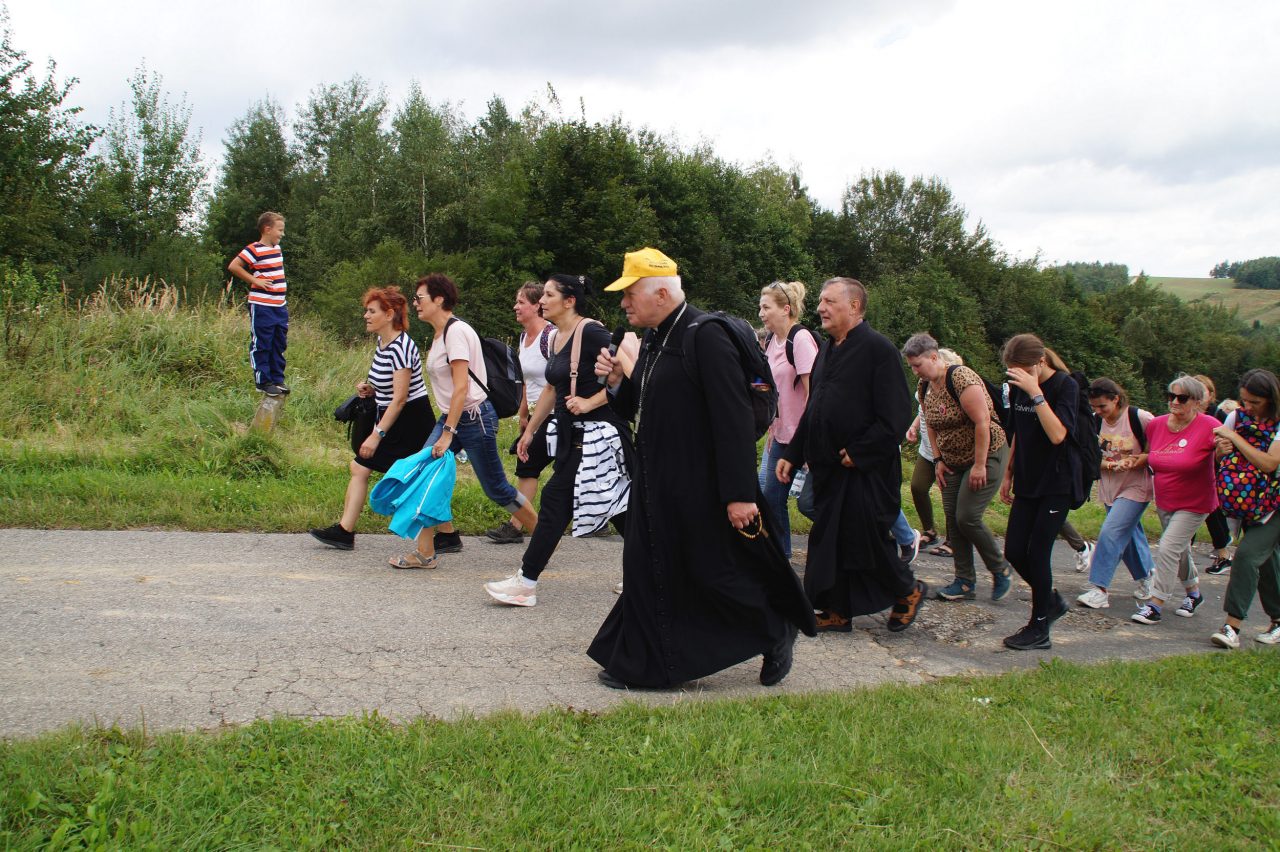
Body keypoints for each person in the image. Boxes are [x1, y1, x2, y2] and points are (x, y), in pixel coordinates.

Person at [588, 247, 813, 689]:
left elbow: (732, 419)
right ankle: (646, 660)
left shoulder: (705, 336)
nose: (623, 303)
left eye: (630, 293)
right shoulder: (656, 337)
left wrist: (739, 495)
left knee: (713, 573)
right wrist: (615, 382)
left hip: (702, 483)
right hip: (657, 480)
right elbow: (639, 405)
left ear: (660, 293)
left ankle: (775, 628)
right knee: (649, 567)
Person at [777, 278, 926, 634]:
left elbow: (895, 415)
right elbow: (815, 408)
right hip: (829, 468)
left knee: (864, 541)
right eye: (821, 301)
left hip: (864, 470)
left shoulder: (878, 350)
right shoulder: (828, 349)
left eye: (829, 301)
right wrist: (794, 453)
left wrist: (859, 452)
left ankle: (908, 589)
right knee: (832, 541)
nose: (820, 308)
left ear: (855, 306)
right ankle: (837, 611)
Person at [484, 275, 630, 606]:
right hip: (570, 433)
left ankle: (525, 583)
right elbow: (552, 388)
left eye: (549, 295)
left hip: (598, 437)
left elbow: (626, 372)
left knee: (554, 501)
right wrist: (530, 431)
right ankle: (654, 571)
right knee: (620, 509)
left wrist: (590, 402)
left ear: (569, 301)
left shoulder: (590, 332)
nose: (542, 301)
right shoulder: (556, 337)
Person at [387, 274, 539, 568]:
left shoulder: (456, 332)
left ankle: (544, 537)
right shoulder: (440, 334)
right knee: (424, 474)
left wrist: (448, 432)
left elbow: (461, 387)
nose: (415, 303)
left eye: (419, 298)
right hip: (453, 417)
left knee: (497, 489)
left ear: (439, 299)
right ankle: (425, 553)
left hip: (473, 418)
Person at [310, 287, 437, 550]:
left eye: (371, 311)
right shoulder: (383, 343)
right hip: (397, 417)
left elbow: (400, 399)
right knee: (415, 477)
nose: (366, 316)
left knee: (397, 473)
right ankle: (448, 534)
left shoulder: (401, 346)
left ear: (389, 315)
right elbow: (391, 388)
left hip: (410, 421)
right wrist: (371, 389)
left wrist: (376, 435)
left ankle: (345, 532)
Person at [902, 333, 1013, 602]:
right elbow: (930, 424)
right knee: (952, 518)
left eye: (918, 365)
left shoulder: (962, 379)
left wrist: (979, 465)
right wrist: (938, 460)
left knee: (967, 517)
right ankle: (964, 581)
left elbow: (982, 422)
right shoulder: (925, 386)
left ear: (933, 357)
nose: (915, 371)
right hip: (952, 460)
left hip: (987, 454)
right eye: (912, 366)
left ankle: (1000, 569)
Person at [997, 334, 1078, 650]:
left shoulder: (1065, 386)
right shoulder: (1019, 385)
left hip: (1057, 482)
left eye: (1024, 370)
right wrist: (1008, 472)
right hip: (1028, 479)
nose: (1019, 376)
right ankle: (1051, 601)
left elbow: (1058, 434)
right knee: (1014, 550)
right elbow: (1019, 431)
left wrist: (1036, 393)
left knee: (1038, 553)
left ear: (1041, 362)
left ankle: (1039, 626)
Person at [1130, 374, 1216, 625]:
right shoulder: (1156, 425)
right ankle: (1194, 593)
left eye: (1182, 398)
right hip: (1166, 498)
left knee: (1168, 547)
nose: (1175, 402)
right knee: (1179, 549)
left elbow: (1224, 454)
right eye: (1171, 396)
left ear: (1197, 401)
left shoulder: (1209, 425)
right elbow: (1150, 454)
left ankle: (1155, 604)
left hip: (1196, 501)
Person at [1209, 369, 1280, 648]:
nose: (1248, 407)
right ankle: (1278, 620)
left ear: (1271, 399)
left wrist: (1235, 439)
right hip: (1249, 501)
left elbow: (1269, 463)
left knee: (1247, 556)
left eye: (1255, 402)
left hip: (1275, 503)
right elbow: (1221, 458)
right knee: (1266, 560)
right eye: (1244, 401)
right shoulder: (1235, 418)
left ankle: (1232, 625)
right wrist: (1221, 450)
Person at [1073, 378, 1155, 608]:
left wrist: (1137, 460)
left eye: (1103, 406)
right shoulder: (1095, 422)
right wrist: (1110, 465)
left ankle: (1099, 588)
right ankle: (1147, 576)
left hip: (1136, 487)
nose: (1099, 411)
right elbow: (1090, 458)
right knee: (1128, 536)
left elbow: (1156, 450)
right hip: (1110, 488)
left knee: (1110, 532)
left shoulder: (1140, 418)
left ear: (1116, 399)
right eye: (1094, 407)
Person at [484, 281, 555, 546]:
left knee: (529, 466)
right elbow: (524, 381)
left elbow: (556, 381)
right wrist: (523, 415)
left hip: (556, 414)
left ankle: (516, 526)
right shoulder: (525, 338)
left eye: (521, 302)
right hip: (537, 415)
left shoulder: (551, 336)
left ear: (537, 306)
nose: (515, 306)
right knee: (531, 467)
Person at [757, 280, 819, 559]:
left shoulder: (800, 340)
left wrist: (807, 442)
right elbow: (773, 388)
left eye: (766, 307)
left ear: (786, 309)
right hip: (780, 435)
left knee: (809, 504)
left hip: (802, 437)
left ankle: (858, 536)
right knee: (771, 498)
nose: (761, 313)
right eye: (761, 307)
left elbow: (813, 394)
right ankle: (780, 557)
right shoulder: (772, 341)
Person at [227, 211, 290, 395]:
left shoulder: (277, 249)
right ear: (267, 229)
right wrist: (255, 280)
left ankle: (277, 379)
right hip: (262, 305)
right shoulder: (253, 249)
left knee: (279, 343)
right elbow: (234, 266)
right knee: (262, 343)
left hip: (279, 305)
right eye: (280, 230)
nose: (282, 234)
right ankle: (263, 381)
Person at [1195, 374, 1234, 574]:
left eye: (1202, 392)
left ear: (1211, 395)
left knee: (1211, 511)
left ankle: (1223, 552)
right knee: (1188, 510)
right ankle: (1180, 555)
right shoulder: (1184, 416)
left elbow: (1232, 442)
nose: (1197, 396)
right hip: (1191, 470)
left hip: (1214, 469)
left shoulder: (1219, 417)